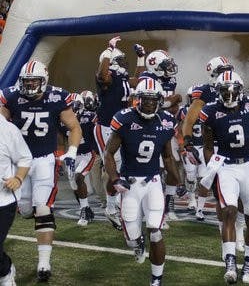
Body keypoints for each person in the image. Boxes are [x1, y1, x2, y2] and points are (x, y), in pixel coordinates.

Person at [0, 59, 82, 281]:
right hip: (20, 162)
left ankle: (44, 264)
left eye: (34, 81)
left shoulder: (57, 96)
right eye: (26, 82)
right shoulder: (11, 96)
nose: (30, 86)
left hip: (45, 159)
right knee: (26, 209)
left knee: (43, 207)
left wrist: (72, 151)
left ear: (44, 80)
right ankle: (29, 212)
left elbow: (74, 127)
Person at [199, 71, 249, 284]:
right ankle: (230, 262)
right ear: (218, 92)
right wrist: (212, 171)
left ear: (241, 90)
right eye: (224, 91)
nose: (229, 95)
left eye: (233, 91)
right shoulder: (210, 111)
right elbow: (207, 147)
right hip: (226, 167)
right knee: (229, 211)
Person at [104, 78, 180, 286]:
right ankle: (137, 245)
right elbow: (109, 153)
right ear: (137, 100)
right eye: (144, 100)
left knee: (155, 230)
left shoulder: (166, 121)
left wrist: (176, 178)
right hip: (129, 184)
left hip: (153, 182)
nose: (147, 104)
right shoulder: (125, 119)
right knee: (131, 239)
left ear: (159, 100)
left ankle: (156, 279)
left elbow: (166, 156)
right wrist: (114, 178)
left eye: (151, 100)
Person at [181, 56, 246, 253]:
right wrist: (187, 140)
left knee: (242, 193)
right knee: (221, 194)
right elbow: (190, 118)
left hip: (239, 148)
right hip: (216, 147)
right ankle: (224, 230)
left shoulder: (237, 87)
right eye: (222, 70)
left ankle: (240, 232)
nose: (226, 74)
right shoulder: (206, 91)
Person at [94, 36, 145, 230]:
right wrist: (108, 51)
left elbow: (138, 81)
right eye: (120, 60)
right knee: (112, 166)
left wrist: (141, 58)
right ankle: (110, 207)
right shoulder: (105, 78)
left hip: (120, 127)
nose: (124, 63)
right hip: (106, 127)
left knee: (122, 165)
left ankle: (116, 203)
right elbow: (102, 75)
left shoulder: (121, 78)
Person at [139, 49, 182, 225]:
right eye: (165, 65)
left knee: (172, 164)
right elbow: (148, 106)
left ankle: (169, 204)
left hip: (167, 125)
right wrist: (170, 101)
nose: (169, 68)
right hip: (148, 127)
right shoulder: (146, 80)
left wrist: (169, 103)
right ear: (155, 67)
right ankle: (150, 207)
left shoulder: (169, 79)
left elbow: (174, 108)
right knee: (155, 169)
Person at [0, 113, 32, 286]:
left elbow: (25, 157)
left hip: (3, 199)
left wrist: (18, 178)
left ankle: (5, 273)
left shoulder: (7, 129)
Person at [61, 91, 97, 226]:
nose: (70, 110)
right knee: (74, 185)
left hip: (87, 154)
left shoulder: (90, 117)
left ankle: (83, 211)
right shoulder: (62, 120)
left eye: (73, 107)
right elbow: (61, 138)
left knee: (78, 177)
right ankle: (86, 209)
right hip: (72, 155)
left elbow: (99, 132)